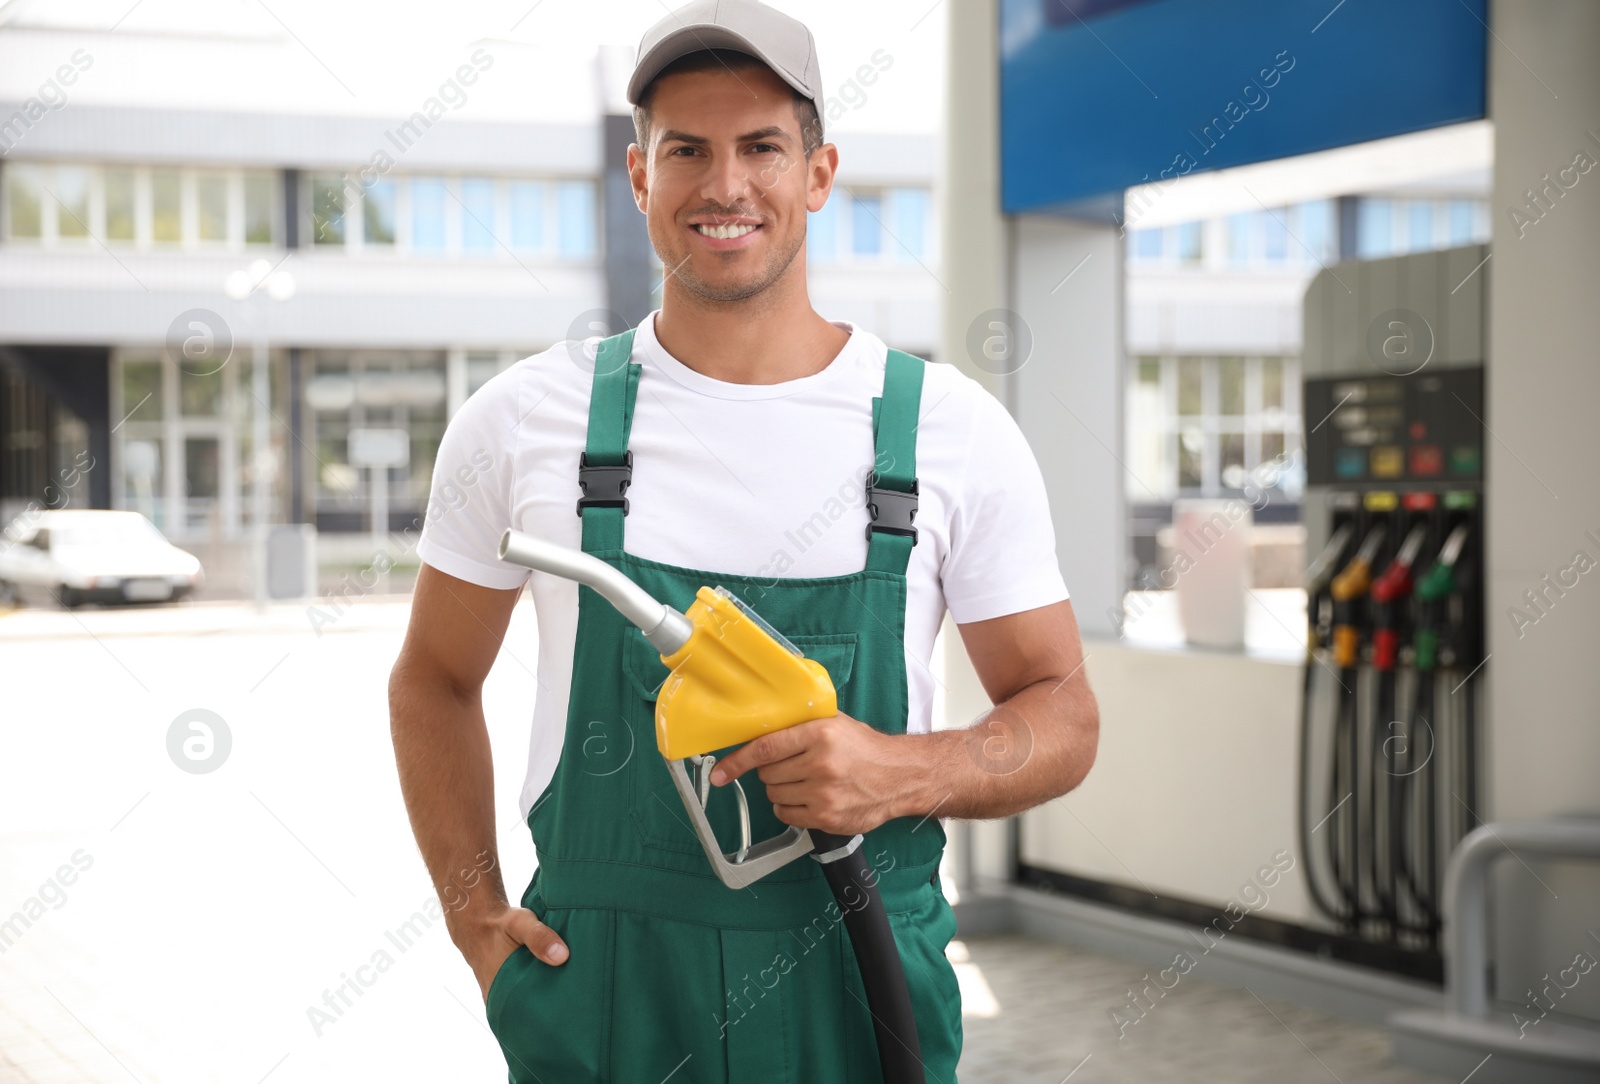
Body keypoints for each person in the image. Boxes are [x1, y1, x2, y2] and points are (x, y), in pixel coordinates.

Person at [387, 1, 1099, 1080]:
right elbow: (434, 680)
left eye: (762, 146)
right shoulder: (525, 423)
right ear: (639, 177)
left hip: (859, 989)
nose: (725, 186)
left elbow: (1063, 713)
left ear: (818, 172)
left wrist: (903, 770)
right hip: (608, 994)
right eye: (687, 150)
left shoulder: (945, 431)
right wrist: (474, 917)